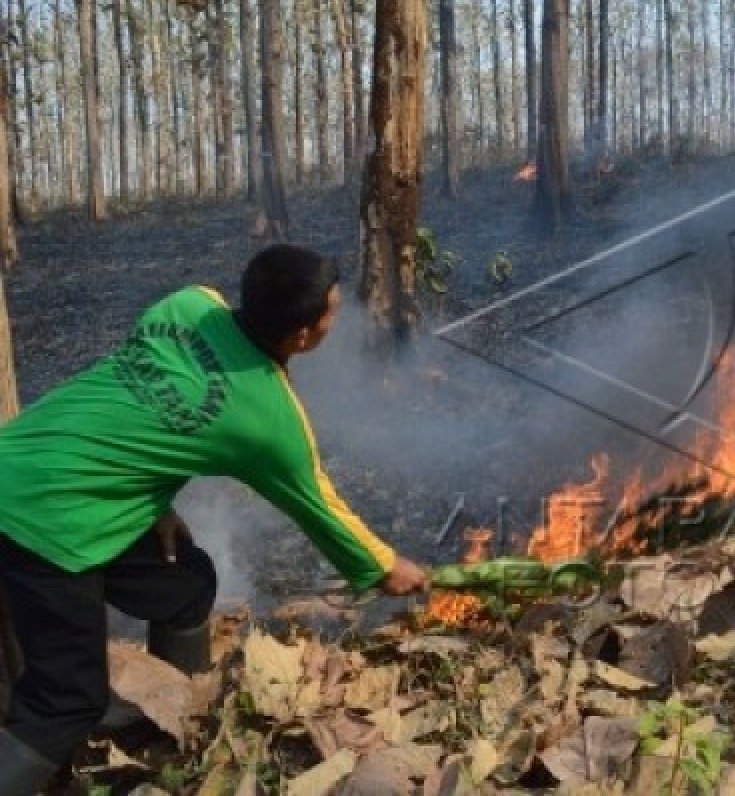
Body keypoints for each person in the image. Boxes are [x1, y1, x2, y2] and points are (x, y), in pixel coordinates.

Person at [0, 244, 430, 792]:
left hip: (24, 462)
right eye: (331, 310)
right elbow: (323, 510)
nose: (335, 316)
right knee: (67, 700)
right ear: (302, 336)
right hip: (48, 522)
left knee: (184, 583)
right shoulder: (268, 421)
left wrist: (157, 503)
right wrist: (390, 567)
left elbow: (147, 407)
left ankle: (173, 723)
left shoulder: (188, 305)